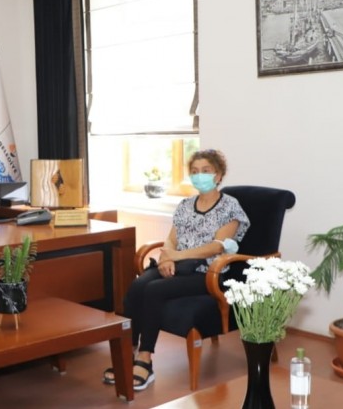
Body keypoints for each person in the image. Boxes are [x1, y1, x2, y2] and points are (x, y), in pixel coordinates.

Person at [101, 149, 250, 391]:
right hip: (178, 265)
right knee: (137, 285)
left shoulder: (230, 206)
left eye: (206, 171)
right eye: (195, 171)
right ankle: (128, 352)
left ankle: (145, 359)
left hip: (208, 273)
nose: (199, 175)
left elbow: (217, 246)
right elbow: (171, 239)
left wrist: (177, 256)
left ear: (218, 175)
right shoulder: (185, 205)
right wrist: (165, 259)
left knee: (154, 290)